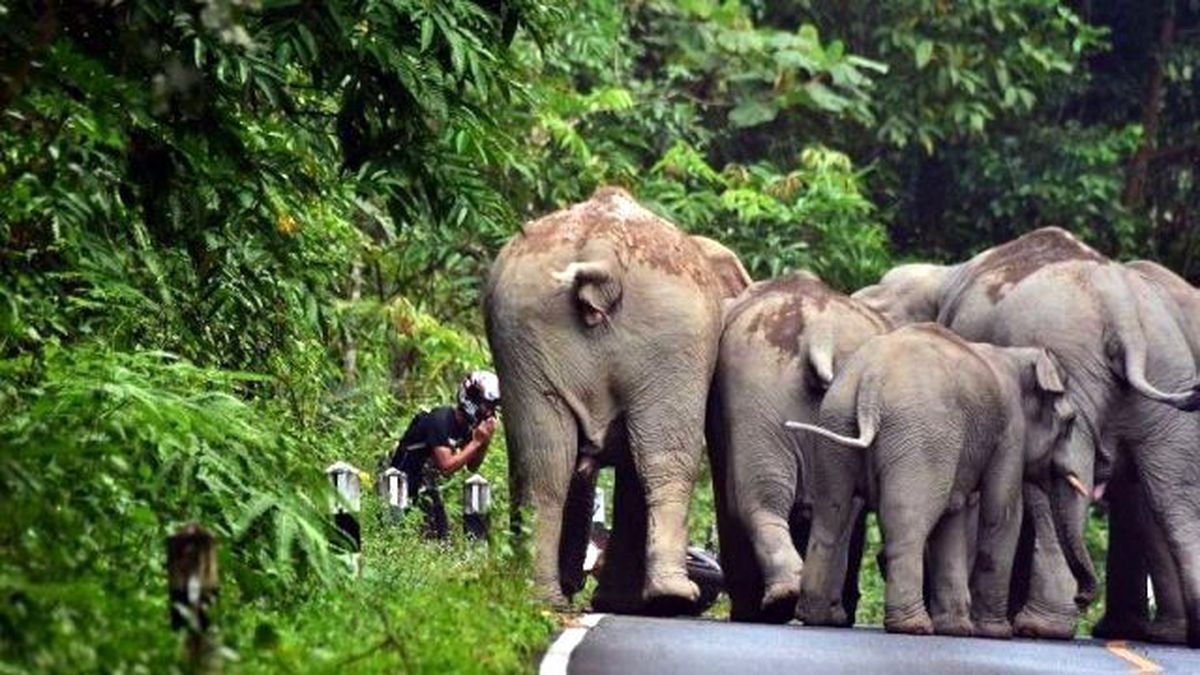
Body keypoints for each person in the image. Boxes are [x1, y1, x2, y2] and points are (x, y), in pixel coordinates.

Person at [389, 371, 500, 539]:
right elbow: (446, 466)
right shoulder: (440, 420)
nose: (489, 413)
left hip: (425, 485)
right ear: (472, 399)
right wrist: (476, 442)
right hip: (400, 484)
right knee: (399, 535)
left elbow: (472, 466)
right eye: (488, 406)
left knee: (441, 539)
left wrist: (484, 442)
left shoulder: (466, 426)